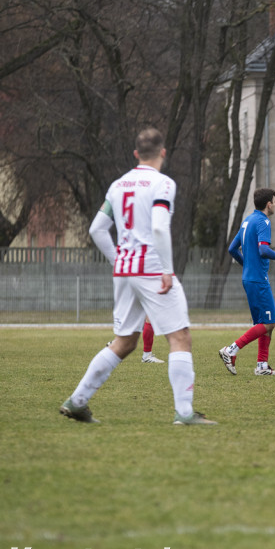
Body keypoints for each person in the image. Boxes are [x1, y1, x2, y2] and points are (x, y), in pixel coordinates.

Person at [60, 127, 215, 425]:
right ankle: (184, 412)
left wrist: (118, 259)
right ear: (163, 153)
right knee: (180, 337)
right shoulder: (163, 184)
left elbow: (96, 229)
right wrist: (167, 270)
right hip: (152, 267)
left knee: (125, 341)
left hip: (126, 269)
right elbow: (158, 227)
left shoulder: (118, 185)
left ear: (135, 154)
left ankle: (77, 401)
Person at [219, 188, 275, 376]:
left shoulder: (247, 220)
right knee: (268, 323)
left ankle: (262, 366)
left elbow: (232, 249)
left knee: (264, 322)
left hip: (249, 277)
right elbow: (263, 250)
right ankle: (231, 350)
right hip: (258, 279)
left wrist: (247, 265)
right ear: (269, 204)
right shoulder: (263, 221)